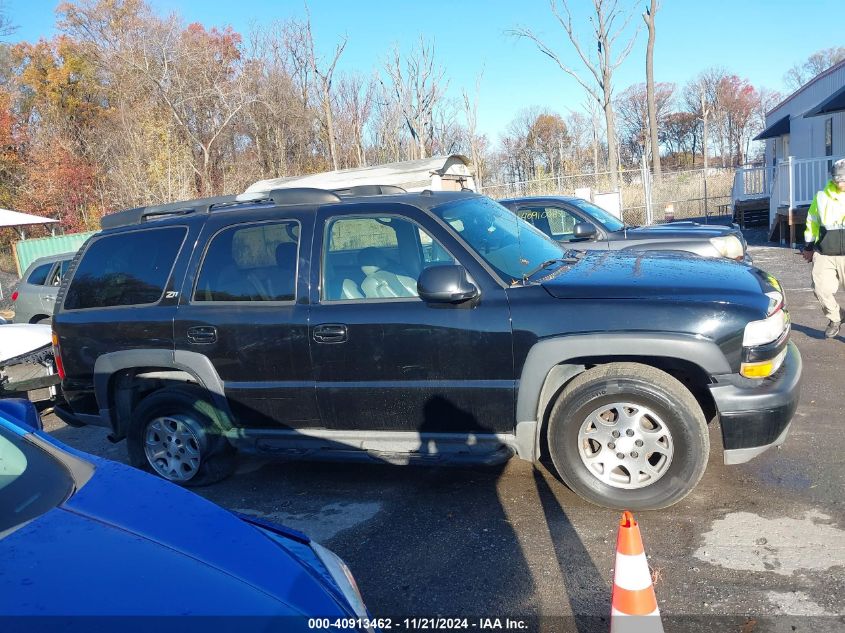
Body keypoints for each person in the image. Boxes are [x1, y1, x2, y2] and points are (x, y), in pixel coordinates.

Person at [803, 158, 845, 338]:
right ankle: (836, 317)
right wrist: (808, 246)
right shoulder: (821, 197)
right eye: (837, 179)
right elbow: (812, 221)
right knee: (820, 288)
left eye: (843, 179)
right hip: (825, 251)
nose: (840, 182)